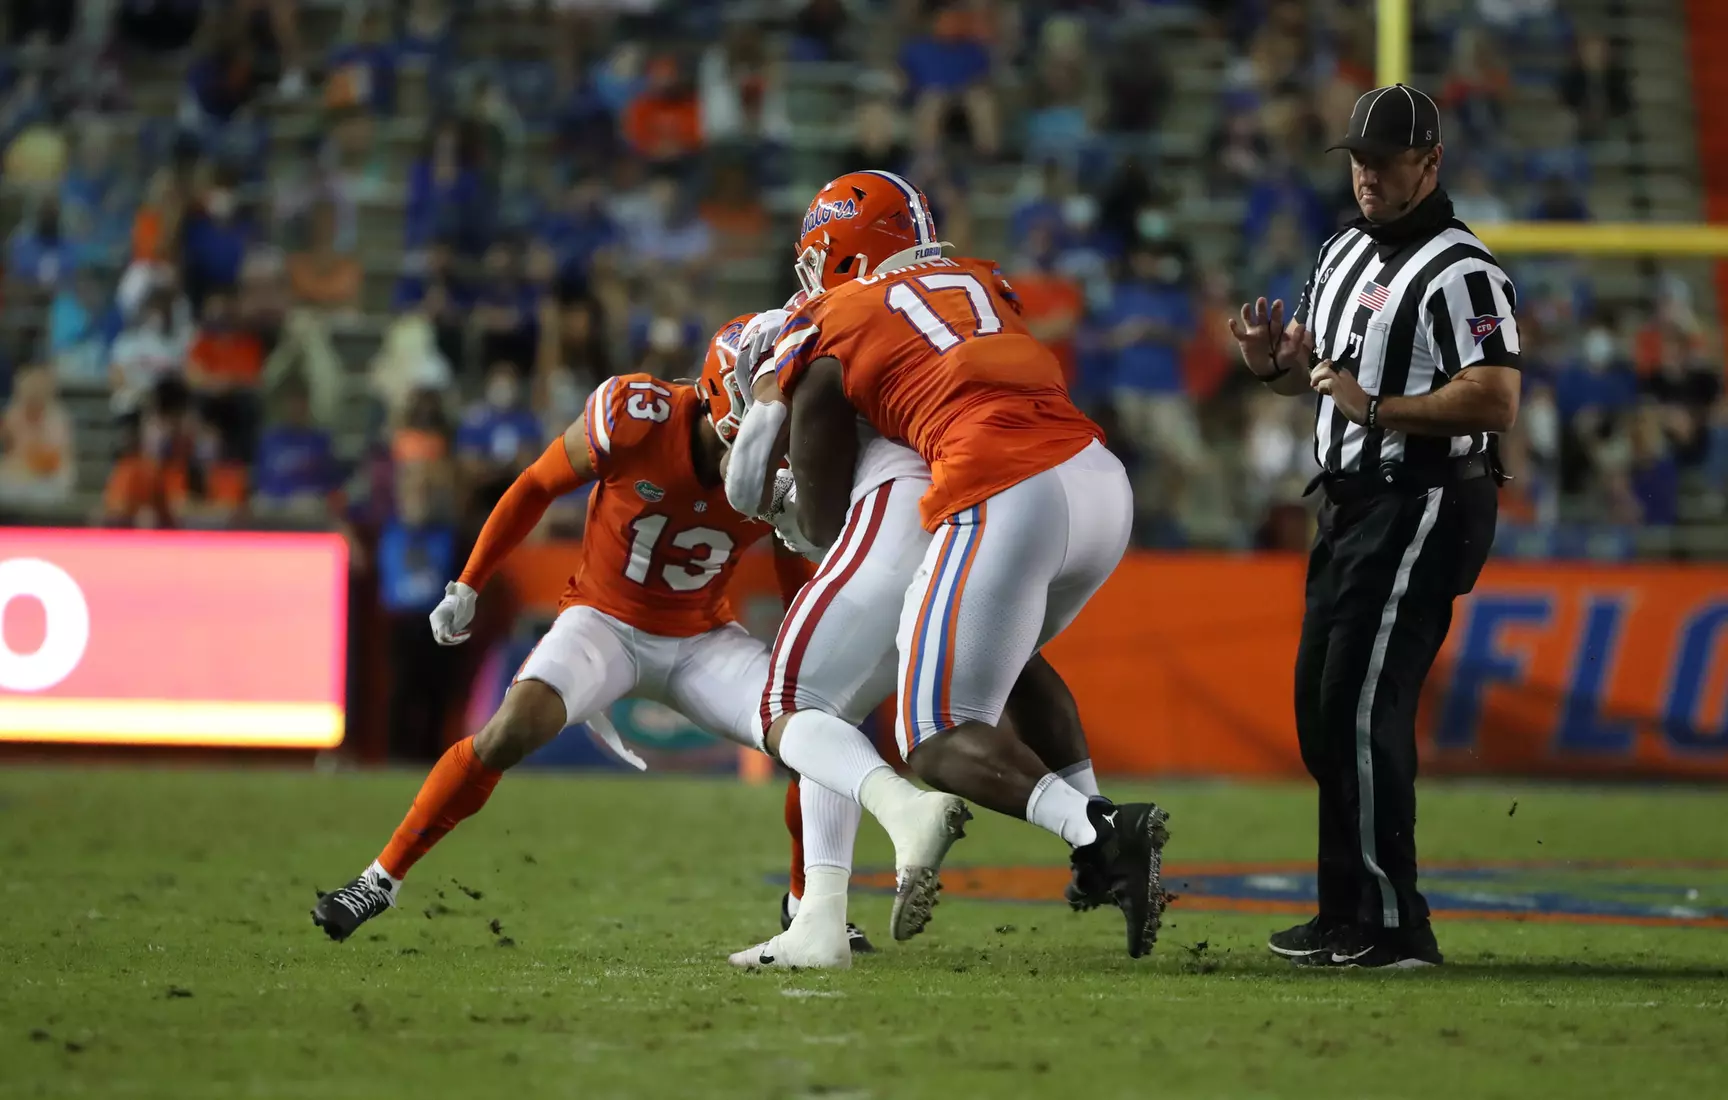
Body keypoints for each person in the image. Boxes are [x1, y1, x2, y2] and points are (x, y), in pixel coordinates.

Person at [309, 319, 933, 948]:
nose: (761, 459)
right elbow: (535, 483)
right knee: (510, 728)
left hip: (700, 639)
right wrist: (468, 582)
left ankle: (808, 906)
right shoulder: (636, 417)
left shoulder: (786, 468)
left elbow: (796, 577)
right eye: (748, 439)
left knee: (812, 728)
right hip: (603, 618)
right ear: (719, 404)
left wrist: (817, 664)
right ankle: (377, 880)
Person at [756, 170, 1170, 958]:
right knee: (1006, 666)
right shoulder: (979, 279)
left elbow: (820, 516)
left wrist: (778, 501)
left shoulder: (832, 313)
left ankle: (1101, 829)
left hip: (1006, 486)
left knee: (935, 736)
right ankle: (1098, 849)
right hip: (1097, 482)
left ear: (840, 253)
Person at [1229, 84, 1521, 968]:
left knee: (1360, 708)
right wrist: (1270, 365)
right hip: (1352, 502)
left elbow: (1497, 396)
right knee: (1325, 709)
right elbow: (1312, 374)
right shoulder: (1340, 250)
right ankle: (1345, 911)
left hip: (1426, 498)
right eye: (1358, 160)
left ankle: (1396, 925)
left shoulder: (1463, 268)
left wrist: (1380, 406)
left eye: (1384, 161)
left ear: (1429, 163)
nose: (1366, 176)